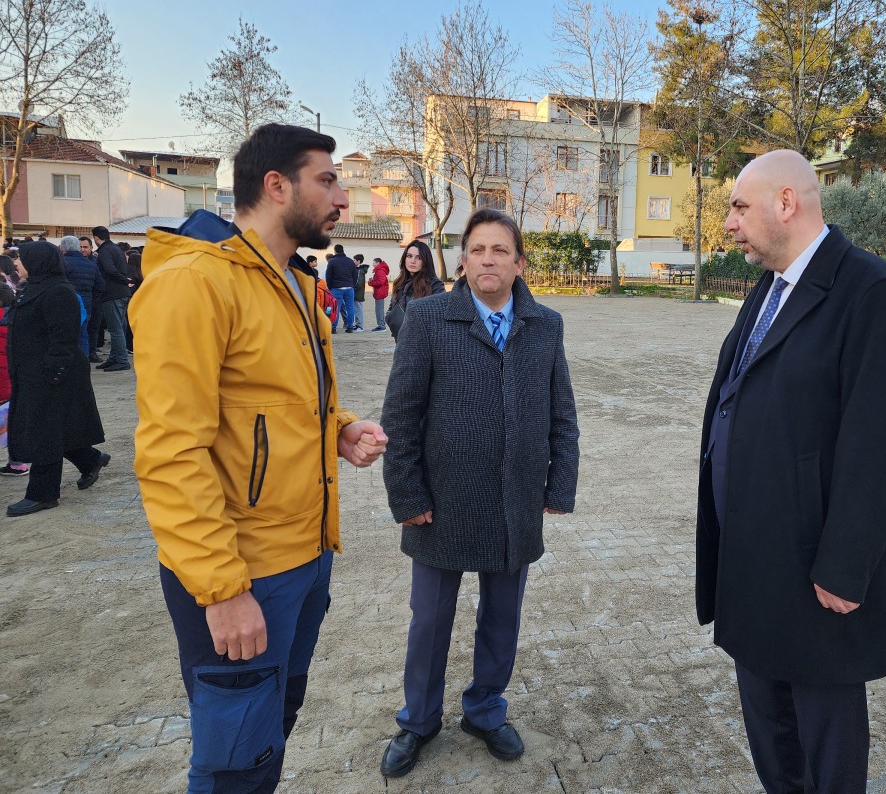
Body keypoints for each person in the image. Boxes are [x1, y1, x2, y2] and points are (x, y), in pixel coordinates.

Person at [131, 123, 388, 792]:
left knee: (272, 729)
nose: (342, 200)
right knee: (233, 761)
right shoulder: (194, 283)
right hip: (242, 575)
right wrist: (222, 590)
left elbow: (283, 401)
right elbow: (170, 452)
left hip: (306, 557)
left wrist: (342, 429)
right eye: (327, 181)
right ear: (276, 186)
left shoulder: (297, 285)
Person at [696, 150, 886, 794]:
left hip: (814, 568)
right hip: (752, 555)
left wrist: (845, 565)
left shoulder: (870, 292)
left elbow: (881, 444)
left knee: (823, 733)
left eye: (740, 207)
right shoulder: (768, 288)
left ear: (787, 202)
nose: (731, 224)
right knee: (770, 729)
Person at [378, 208, 579, 780]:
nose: (488, 259)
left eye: (500, 250)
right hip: (440, 502)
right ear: (462, 261)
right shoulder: (429, 316)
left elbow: (561, 413)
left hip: (514, 501)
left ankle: (486, 710)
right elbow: (402, 414)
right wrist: (407, 496)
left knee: (502, 617)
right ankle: (418, 720)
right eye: (477, 249)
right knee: (430, 619)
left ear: (519, 263)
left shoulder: (545, 324)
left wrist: (558, 483)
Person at [4, 242, 108, 517]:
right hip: (33, 374)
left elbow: (63, 338)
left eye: (21, 259)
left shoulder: (58, 291)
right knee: (56, 427)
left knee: (43, 433)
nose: (16, 263)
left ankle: (43, 494)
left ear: (38, 262)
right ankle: (91, 460)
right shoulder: (35, 288)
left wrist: (52, 373)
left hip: (51, 375)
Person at [0, 254, 31, 478]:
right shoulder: (14, 319)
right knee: (14, 423)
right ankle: (18, 462)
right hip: (11, 382)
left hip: (3, 383)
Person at [385, 240, 445, 339]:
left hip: (423, 343)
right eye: (409, 256)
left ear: (426, 261)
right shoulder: (399, 283)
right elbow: (391, 309)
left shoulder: (435, 285)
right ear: (404, 258)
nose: (413, 261)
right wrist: (391, 319)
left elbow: (439, 317)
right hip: (400, 341)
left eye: (419, 258)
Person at [91, 226, 132, 372]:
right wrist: (125, 281)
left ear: (96, 238)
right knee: (120, 327)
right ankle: (114, 357)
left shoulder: (104, 251)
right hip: (122, 293)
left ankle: (121, 359)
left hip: (112, 293)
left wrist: (123, 280)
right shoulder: (116, 249)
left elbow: (110, 270)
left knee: (116, 329)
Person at [60, 236, 104, 356]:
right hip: (85, 304)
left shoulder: (61, 263)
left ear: (62, 248)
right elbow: (100, 286)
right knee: (83, 335)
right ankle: (83, 364)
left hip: (64, 305)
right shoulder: (91, 265)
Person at [324, 243, 357, 333]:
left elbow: (328, 276)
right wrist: (352, 284)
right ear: (343, 250)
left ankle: (333, 328)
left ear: (335, 251)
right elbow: (355, 274)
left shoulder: (332, 262)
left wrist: (330, 287)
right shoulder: (350, 261)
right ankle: (350, 327)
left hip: (336, 288)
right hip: (349, 288)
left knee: (336, 308)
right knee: (350, 308)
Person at [367, 257, 390, 331]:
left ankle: (381, 326)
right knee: (379, 309)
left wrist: (371, 283)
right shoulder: (379, 271)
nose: (373, 264)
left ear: (378, 263)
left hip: (380, 292)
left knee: (379, 310)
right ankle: (381, 325)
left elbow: (380, 282)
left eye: (374, 263)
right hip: (380, 292)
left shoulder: (380, 271)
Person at [352, 254, 367, 331]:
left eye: (354, 260)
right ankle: (357, 324)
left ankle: (360, 326)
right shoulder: (358, 269)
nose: (353, 261)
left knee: (359, 309)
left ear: (358, 261)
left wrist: (353, 288)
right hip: (357, 292)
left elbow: (359, 282)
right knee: (356, 309)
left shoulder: (360, 270)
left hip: (358, 293)